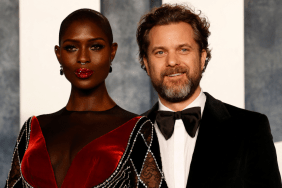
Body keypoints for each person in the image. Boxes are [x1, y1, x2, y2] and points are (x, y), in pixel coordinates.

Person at [136, 4, 282, 188]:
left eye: (183, 50)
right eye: (160, 52)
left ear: (202, 56)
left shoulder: (251, 129)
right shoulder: (127, 138)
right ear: (146, 63)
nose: (172, 61)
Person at [5, 9, 153, 188]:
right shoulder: (32, 130)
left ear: (112, 51)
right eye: (71, 48)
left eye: (95, 46)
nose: (83, 58)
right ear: (58, 54)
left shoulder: (137, 129)